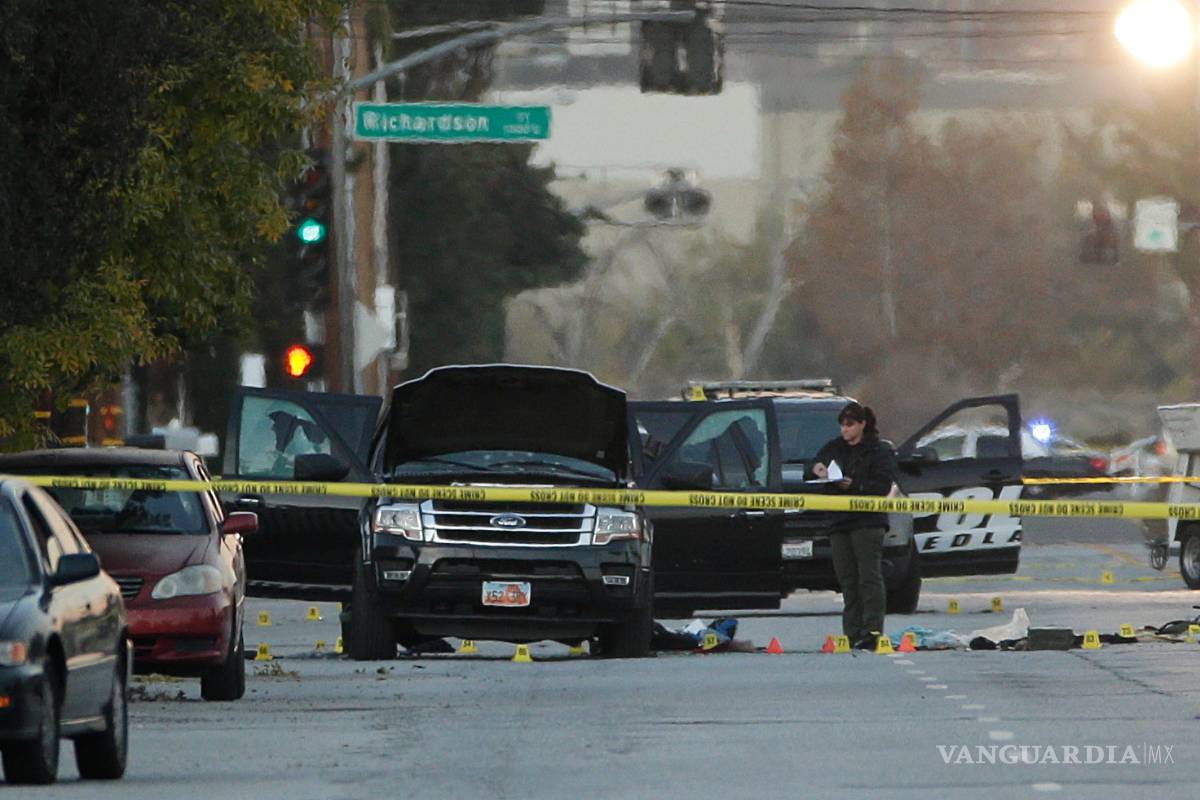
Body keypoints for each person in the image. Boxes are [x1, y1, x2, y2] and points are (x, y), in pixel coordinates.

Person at [805, 401, 897, 650]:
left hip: (868, 521)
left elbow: (883, 486)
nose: (844, 430)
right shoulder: (834, 447)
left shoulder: (879, 450)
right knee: (847, 579)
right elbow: (811, 468)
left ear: (862, 424)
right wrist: (817, 468)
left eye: (849, 425)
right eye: (842, 425)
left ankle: (872, 630)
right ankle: (852, 631)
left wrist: (853, 485)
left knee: (869, 576)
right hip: (839, 520)